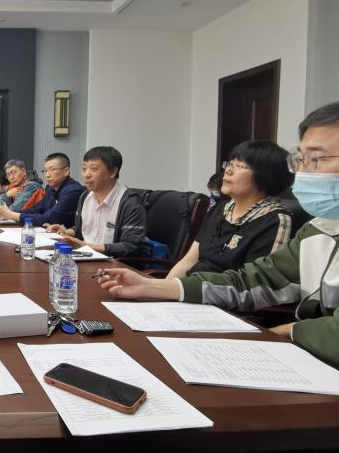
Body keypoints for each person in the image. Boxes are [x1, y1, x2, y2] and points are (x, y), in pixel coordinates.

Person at [97, 102, 339, 367]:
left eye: (316, 159)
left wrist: (285, 332)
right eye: (300, 159)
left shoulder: (278, 218)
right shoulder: (319, 229)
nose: (302, 172)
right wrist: (153, 287)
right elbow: (253, 281)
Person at [164, 141, 293, 279]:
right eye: (229, 164)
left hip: (220, 291)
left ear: (266, 176)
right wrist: (163, 287)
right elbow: (189, 261)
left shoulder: (275, 220)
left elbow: (257, 282)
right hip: (189, 286)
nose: (228, 171)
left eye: (239, 166)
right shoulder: (220, 209)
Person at [46, 146, 145, 257]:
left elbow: (132, 246)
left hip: (112, 262)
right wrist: (66, 232)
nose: (86, 175)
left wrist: (88, 246)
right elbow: (80, 229)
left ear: (112, 172)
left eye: (93, 169)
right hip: (84, 256)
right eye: (84, 169)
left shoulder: (130, 203)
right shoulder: (85, 196)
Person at [0, 152, 83, 227]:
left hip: (68, 239)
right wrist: (9, 213)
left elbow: (48, 218)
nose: (47, 175)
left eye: (52, 170)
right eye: (45, 171)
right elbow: (35, 210)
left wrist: (11, 214)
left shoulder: (73, 191)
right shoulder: (50, 189)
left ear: (66, 171)